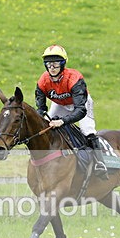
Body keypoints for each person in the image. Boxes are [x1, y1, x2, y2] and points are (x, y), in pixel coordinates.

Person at [35, 44, 108, 179]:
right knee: (46, 125)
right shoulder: (42, 81)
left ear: (63, 64)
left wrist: (62, 121)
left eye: (55, 64)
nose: (52, 67)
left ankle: (100, 163)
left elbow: (80, 111)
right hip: (59, 104)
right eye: (48, 64)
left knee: (87, 129)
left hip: (80, 104)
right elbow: (41, 108)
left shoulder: (74, 78)